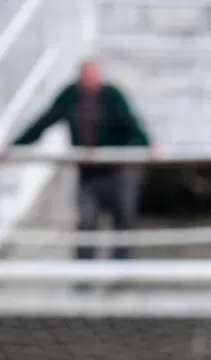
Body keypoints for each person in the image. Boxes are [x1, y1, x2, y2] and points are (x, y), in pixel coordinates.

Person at [13, 61, 152, 260]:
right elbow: (44, 121)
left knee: (123, 218)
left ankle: (121, 271)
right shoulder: (70, 96)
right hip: (88, 172)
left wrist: (148, 145)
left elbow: (131, 123)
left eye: (93, 75)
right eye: (86, 75)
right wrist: (16, 145)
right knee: (87, 220)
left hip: (117, 169)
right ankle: (84, 275)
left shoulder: (112, 95)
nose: (89, 79)